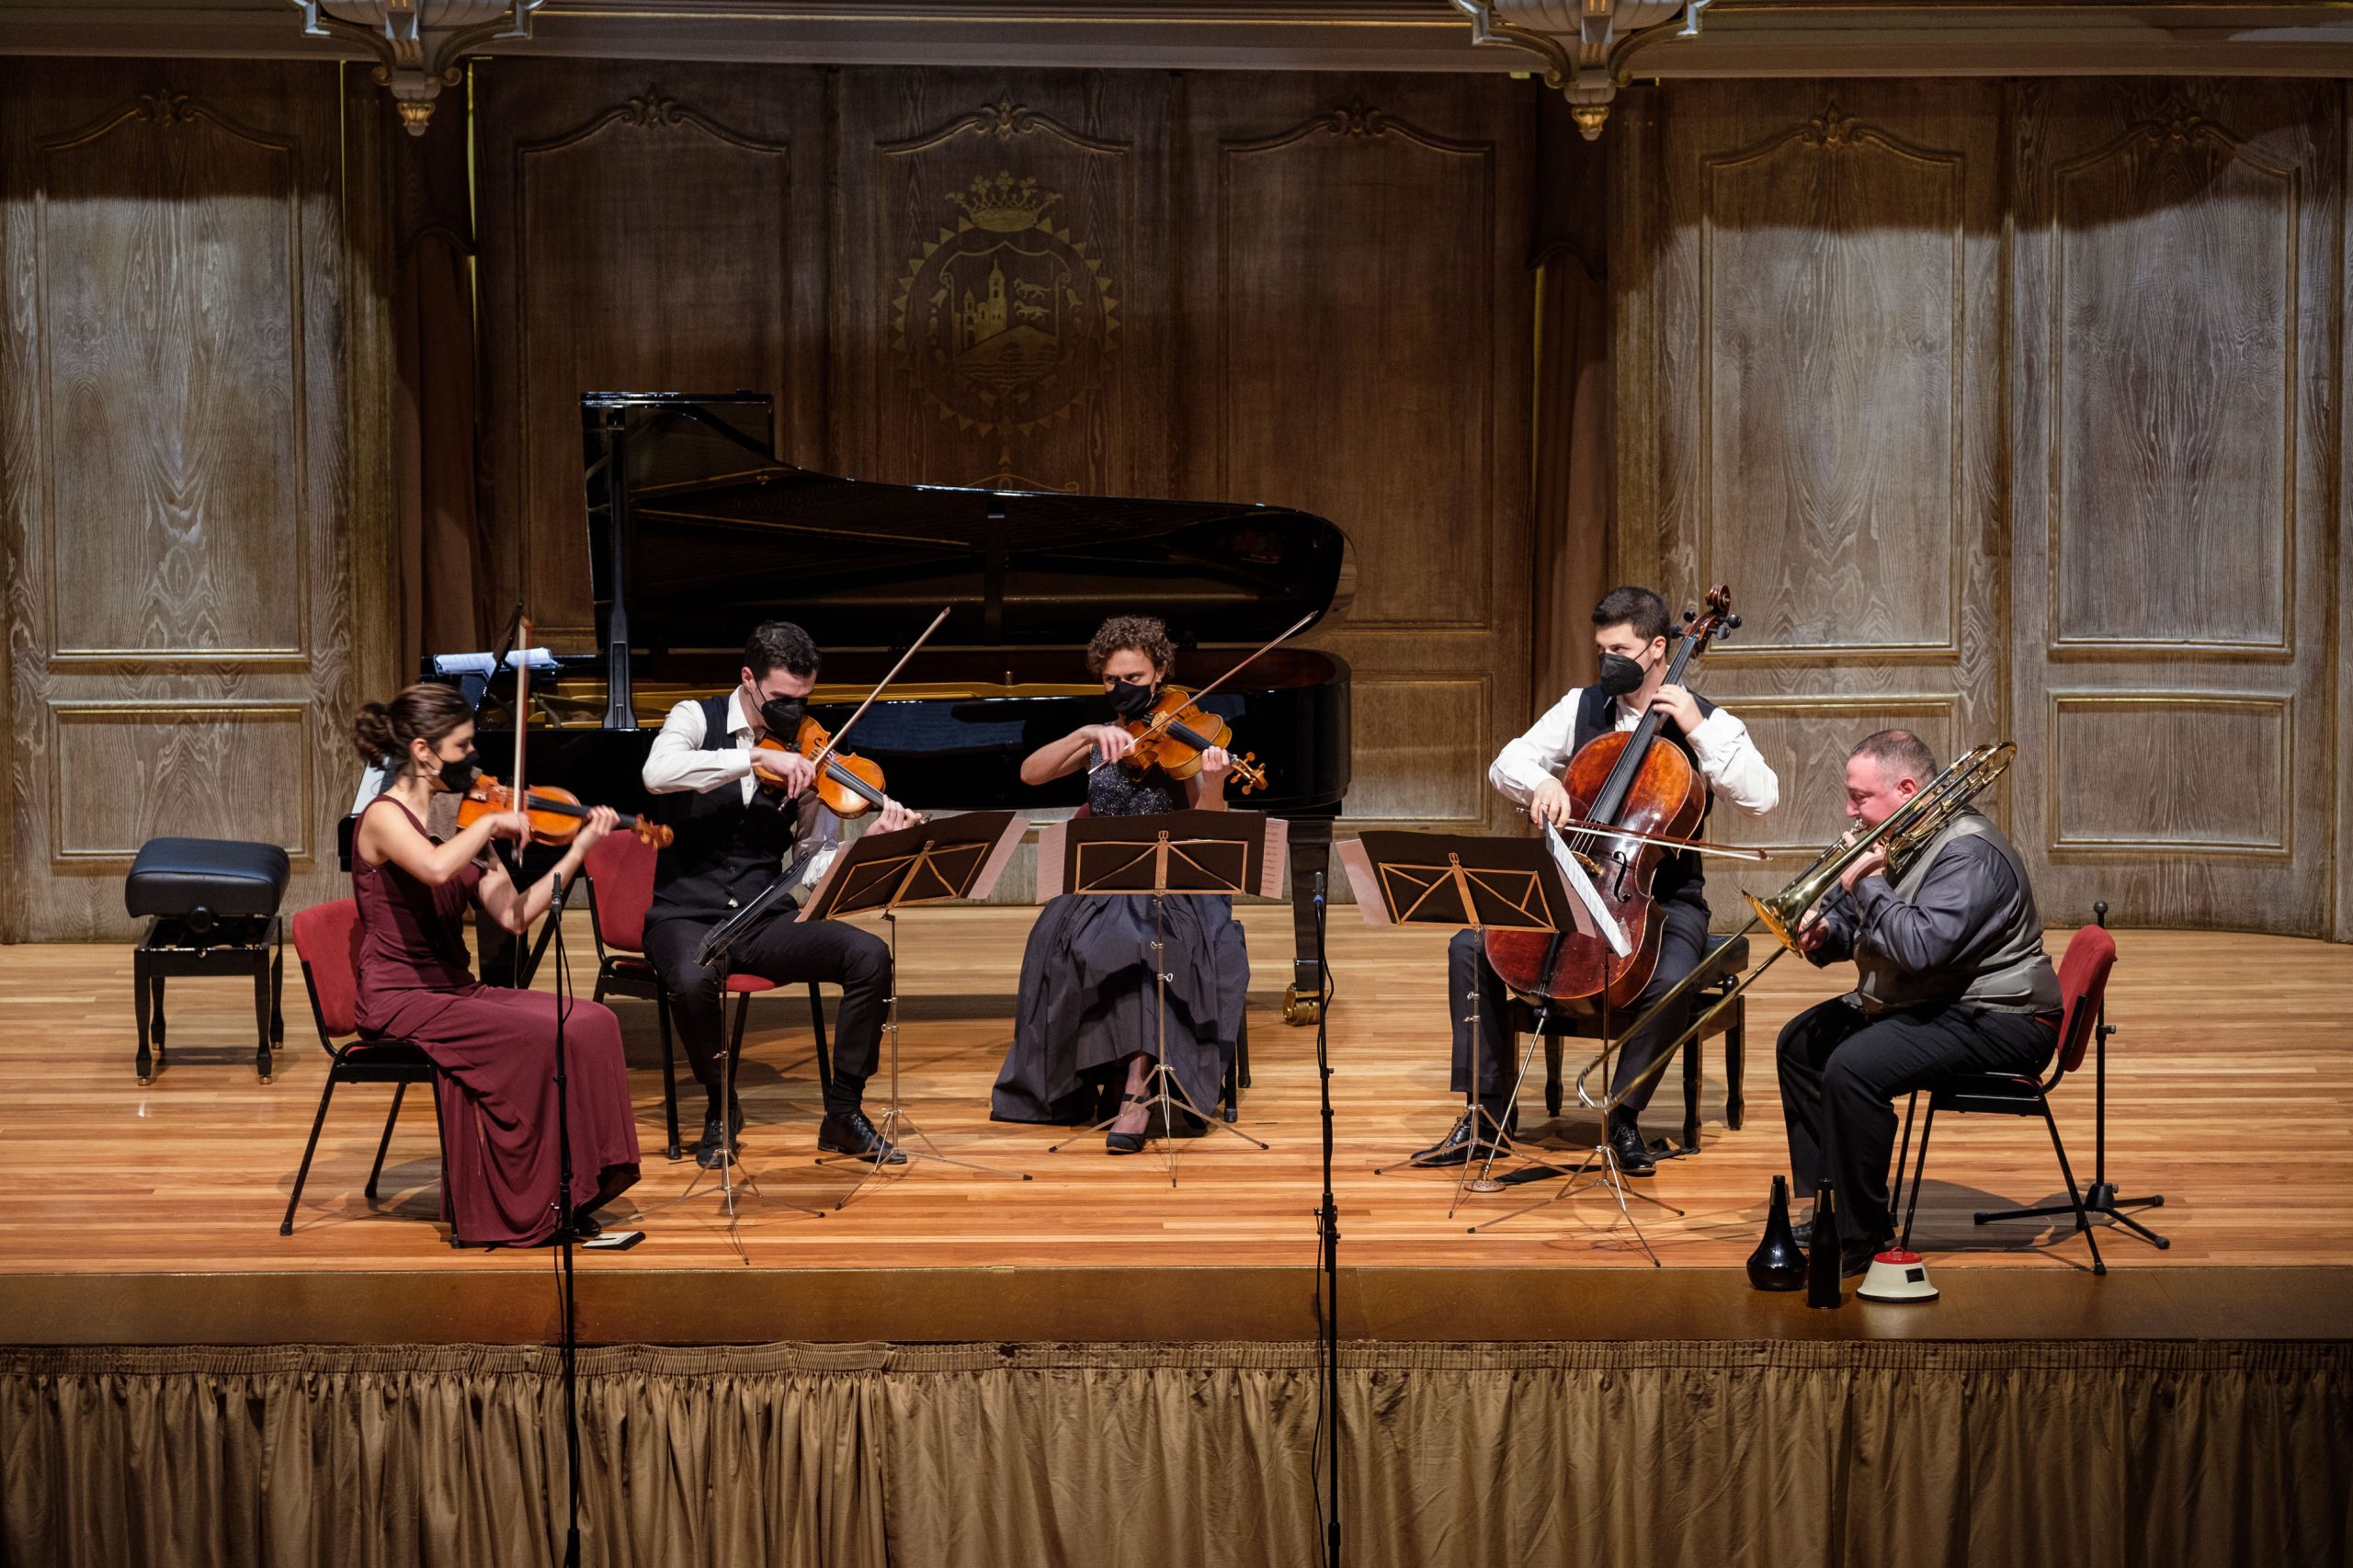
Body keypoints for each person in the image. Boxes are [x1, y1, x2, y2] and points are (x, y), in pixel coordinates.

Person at [1414, 585, 1779, 1172]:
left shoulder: (1710, 722)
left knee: (1672, 980)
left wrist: (1696, 727)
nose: (1608, 661)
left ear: (1658, 648)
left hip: (1659, 898)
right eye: (1602, 650)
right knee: (1469, 947)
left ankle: (1625, 1117)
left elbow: (1762, 798)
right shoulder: (1581, 707)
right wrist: (1542, 784)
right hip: (1574, 880)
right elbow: (1506, 763)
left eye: (1620, 650)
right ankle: (1486, 1116)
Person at [348, 684, 641, 1247]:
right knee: (542, 1037)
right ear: (423, 751)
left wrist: (579, 850)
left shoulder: (463, 816)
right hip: (400, 998)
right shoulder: (384, 816)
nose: (475, 759)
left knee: (594, 1022)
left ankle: (576, 1188)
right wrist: (487, 828)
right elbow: (435, 869)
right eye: (462, 746)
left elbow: (515, 916)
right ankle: (525, 1201)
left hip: (453, 988)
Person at [1777, 730, 2062, 1277]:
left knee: (1853, 1068)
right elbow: (1870, 927)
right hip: (1942, 997)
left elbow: (1920, 948)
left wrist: (1867, 885)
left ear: (1906, 790)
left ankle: (1861, 1238)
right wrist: (1827, 932)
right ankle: (1835, 1207)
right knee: (1802, 1045)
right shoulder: (1904, 838)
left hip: (2006, 1015)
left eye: (1860, 797)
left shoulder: (1969, 853)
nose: (1849, 810)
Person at [640, 620, 921, 1169]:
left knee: (869, 955)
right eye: (782, 700)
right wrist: (756, 758)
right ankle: (721, 1105)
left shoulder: (811, 756)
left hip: (764, 918)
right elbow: (658, 772)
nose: (794, 713)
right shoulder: (694, 717)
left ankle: (843, 1113)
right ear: (748, 679)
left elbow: (813, 863)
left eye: (803, 700)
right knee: (693, 980)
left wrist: (870, 846)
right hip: (684, 915)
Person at [991, 615, 1248, 1153]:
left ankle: (1137, 1085)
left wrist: (1214, 781)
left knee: (1145, 942)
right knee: (1068, 943)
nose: (1122, 689)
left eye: (1134, 678)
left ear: (1160, 672)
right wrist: (1087, 733)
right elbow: (1031, 774)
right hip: (1101, 882)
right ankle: (1100, 1069)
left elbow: (1209, 826)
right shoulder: (1104, 739)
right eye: (1111, 680)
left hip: (1173, 884)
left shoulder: (1185, 737)